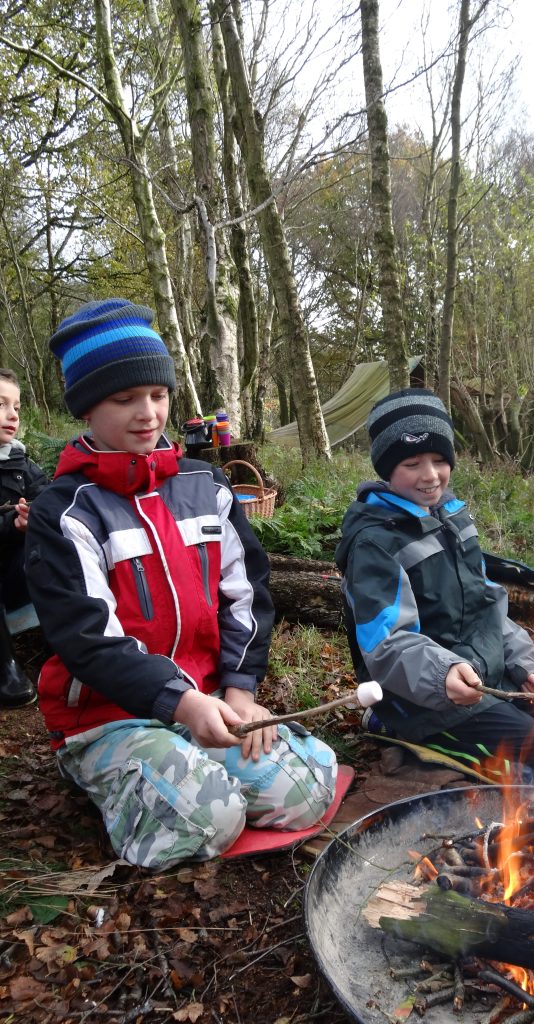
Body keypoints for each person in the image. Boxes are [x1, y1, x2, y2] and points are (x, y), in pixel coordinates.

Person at [25, 298, 337, 870]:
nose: (147, 413)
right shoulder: (64, 513)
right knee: (211, 820)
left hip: (210, 698)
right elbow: (87, 639)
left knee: (306, 789)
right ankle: (117, 778)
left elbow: (246, 592)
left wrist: (239, 689)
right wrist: (178, 702)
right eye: (124, 399)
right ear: (87, 409)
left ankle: (184, 774)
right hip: (107, 717)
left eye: (158, 395)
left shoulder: (206, 486)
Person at [335, 387, 534, 784]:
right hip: (422, 695)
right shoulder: (374, 543)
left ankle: (487, 716)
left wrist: (522, 663)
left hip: (484, 678)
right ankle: (390, 724)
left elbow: (488, 603)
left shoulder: (452, 517)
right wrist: (442, 674)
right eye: (412, 463)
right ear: (386, 469)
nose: (430, 475)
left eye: (439, 459)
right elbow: (385, 643)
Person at [0, 368, 47, 708]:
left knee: (55, 552)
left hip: (18, 570)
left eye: (15, 405)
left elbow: (49, 496)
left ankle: (77, 650)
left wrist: (37, 516)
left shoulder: (22, 462)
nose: (12, 414)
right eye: (1, 404)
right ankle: (5, 668)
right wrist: (10, 525)